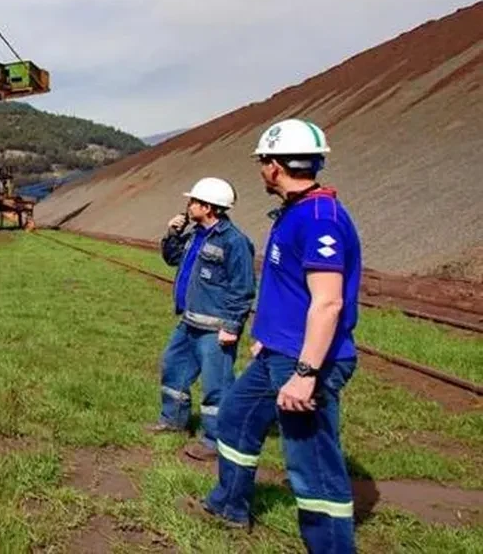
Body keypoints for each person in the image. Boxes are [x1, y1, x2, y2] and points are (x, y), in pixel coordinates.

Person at [202, 119, 362, 553]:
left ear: (275, 166)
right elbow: (291, 288)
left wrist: (307, 373)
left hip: (305, 361)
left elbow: (327, 302)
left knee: (311, 463)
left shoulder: (319, 220)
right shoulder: (297, 212)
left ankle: (330, 547)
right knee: (234, 418)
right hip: (278, 353)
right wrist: (268, 338)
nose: (260, 171)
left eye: (262, 163)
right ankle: (229, 504)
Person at [149, 177, 256, 460]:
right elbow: (172, 258)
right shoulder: (196, 235)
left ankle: (215, 441)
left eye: (193, 202)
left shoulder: (234, 241)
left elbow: (243, 288)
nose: (188, 205)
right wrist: (172, 233)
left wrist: (232, 326)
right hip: (189, 321)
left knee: (216, 386)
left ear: (208, 207)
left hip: (215, 327)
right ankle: (173, 421)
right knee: (173, 368)